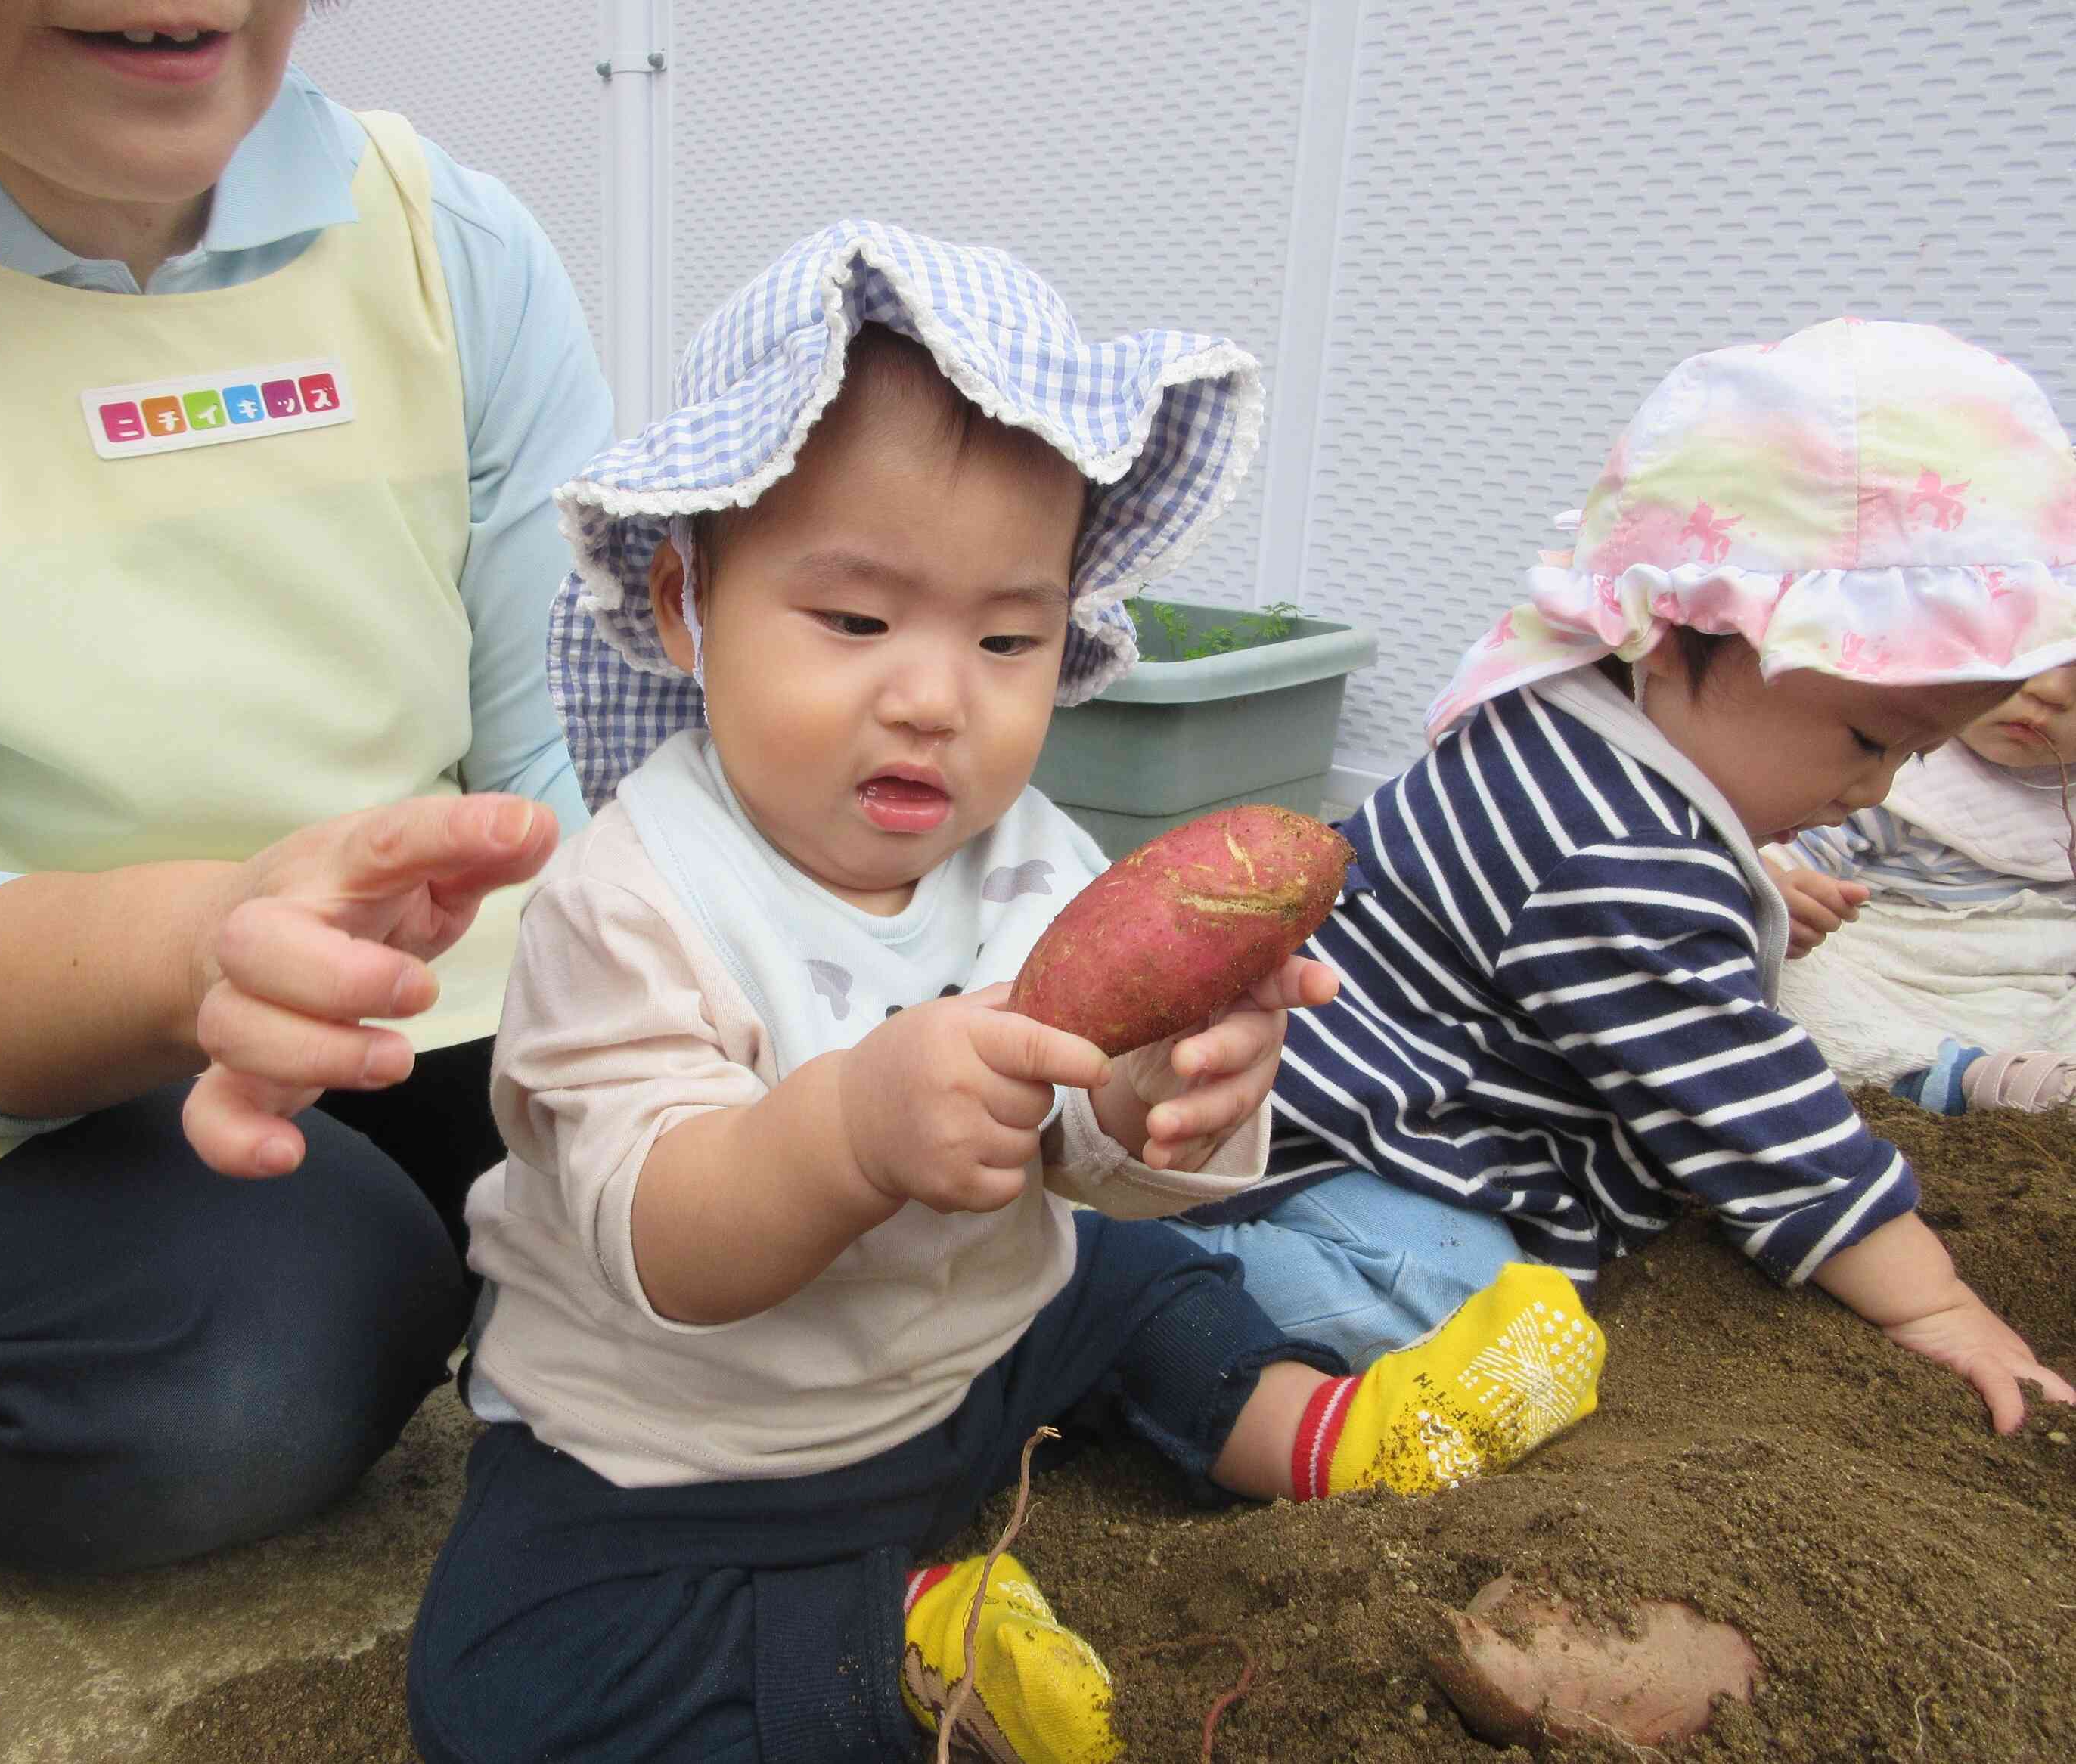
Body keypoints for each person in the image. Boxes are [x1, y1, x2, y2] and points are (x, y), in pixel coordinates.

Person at [406, 221, 1606, 1764]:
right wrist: (849, 1129)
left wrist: (1161, 1096)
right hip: (693, 1450)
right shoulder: (628, 897)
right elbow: (664, 1238)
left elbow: (1087, 1152)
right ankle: (907, 1642)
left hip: (979, 1347)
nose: (933, 694)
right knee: (498, 1686)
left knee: (1123, 1271)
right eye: (854, 621)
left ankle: (1319, 1425)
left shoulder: (1030, 851)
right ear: (684, 602)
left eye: (1006, 635)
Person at [0, 1, 614, 1616]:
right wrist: (199, 946)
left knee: (746, 1176)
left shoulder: (445, 243)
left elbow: (576, 765)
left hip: (419, 986)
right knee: (245, 1359)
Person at [1170, 318, 2076, 1437]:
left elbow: (1592, 922)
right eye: (1867, 740)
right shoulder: (1618, 860)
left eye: (1910, 757)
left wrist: (1743, 889)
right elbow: (1755, 1114)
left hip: (1338, 1087)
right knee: (1448, 1294)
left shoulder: (1569, 710)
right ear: (1683, 633)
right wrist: (1932, 1300)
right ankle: (1143, 1287)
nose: (1872, 789)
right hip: (1319, 1144)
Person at [1764, 662, 2075, 1111]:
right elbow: (1780, 857)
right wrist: (1788, 893)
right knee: (1778, 979)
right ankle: (1938, 1078)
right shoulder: (1895, 760)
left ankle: (2023, 1080)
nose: (2051, 692)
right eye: (2032, 660)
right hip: (1883, 979)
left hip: (2024, 992)